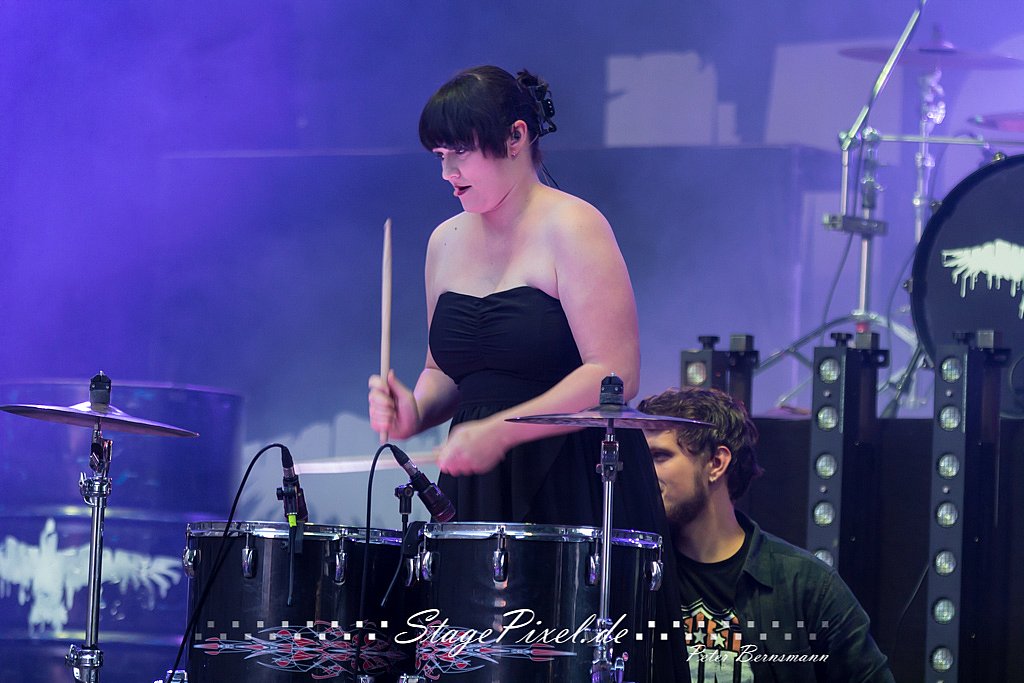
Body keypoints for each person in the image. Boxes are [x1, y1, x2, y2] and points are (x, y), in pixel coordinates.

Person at [367, 65, 688, 681]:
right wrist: (413, 410)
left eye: (460, 153)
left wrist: (503, 431)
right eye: (439, 156)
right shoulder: (443, 242)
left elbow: (614, 372)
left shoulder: (574, 225)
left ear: (516, 137)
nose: (447, 172)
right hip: (478, 483)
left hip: (570, 474)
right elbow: (445, 369)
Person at [638, 387, 896, 682]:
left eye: (659, 456)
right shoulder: (635, 573)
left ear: (717, 463)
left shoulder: (805, 583)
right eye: (642, 459)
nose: (644, 472)